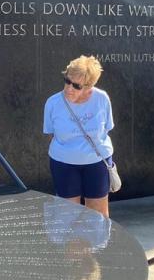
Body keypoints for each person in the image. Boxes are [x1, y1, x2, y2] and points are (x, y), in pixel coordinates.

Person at [43, 56, 115, 218]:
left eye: (76, 86)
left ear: (90, 86)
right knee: (67, 215)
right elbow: (51, 133)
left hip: (97, 162)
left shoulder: (102, 99)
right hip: (64, 163)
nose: (69, 88)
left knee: (98, 215)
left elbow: (107, 128)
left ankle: (98, 245)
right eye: (67, 81)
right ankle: (73, 244)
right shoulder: (53, 103)